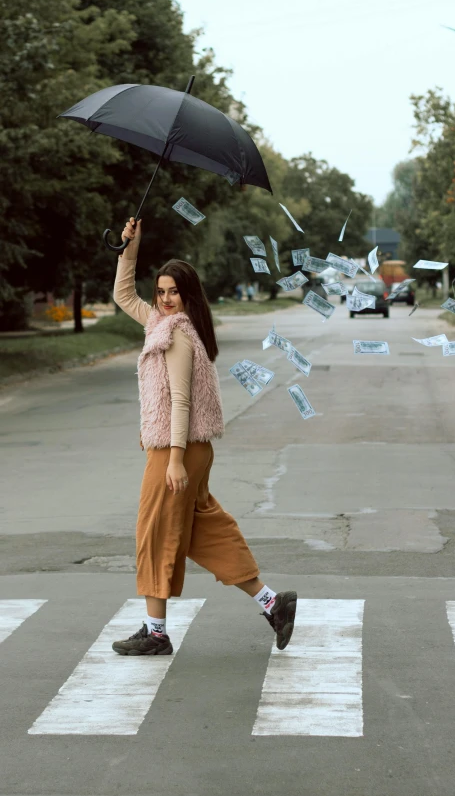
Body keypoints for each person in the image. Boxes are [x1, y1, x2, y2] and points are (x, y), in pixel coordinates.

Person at [111, 217, 297, 656]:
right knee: (201, 532)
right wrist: (130, 246)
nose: (165, 298)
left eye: (173, 291)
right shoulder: (160, 323)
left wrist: (173, 458)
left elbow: (181, 403)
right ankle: (274, 604)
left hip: (178, 450)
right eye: (160, 291)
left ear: (188, 293)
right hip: (189, 449)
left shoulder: (175, 335)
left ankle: (155, 633)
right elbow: (122, 294)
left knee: (154, 532)